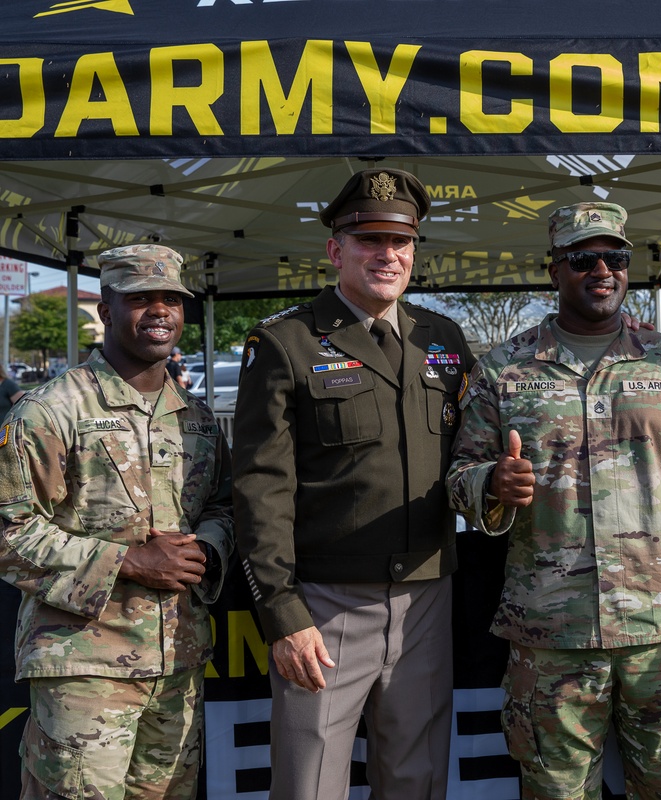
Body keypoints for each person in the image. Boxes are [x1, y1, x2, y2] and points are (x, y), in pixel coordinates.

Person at [447, 202, 661, 799]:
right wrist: (492, 485)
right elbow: (459, 475)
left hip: (659, 631)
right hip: (549, 634)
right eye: (583, 259)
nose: (602, 271)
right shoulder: (504, 370)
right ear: (554, 270)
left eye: (615, 258)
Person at [232, 168, 475, 800]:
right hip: (326, 607)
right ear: (336, 249)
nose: (387, 255)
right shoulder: (285, 343)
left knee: (416, 783)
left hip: (426, 599)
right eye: (369, 241)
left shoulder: (442, 340)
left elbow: (468, 462)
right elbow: (260, 487)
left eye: (400, 243)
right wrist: (283, 614)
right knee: (309, 786)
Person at [0, 244, 234, 799]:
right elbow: (9, 531)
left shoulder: (196, 417)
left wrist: (206, 548)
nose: (160, 311)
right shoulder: (50, 409)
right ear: (105, 310)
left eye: (171, 299)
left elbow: (223, 505)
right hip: (84, 667)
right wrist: (129, 561)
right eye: (140, 299)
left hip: (177, 662)